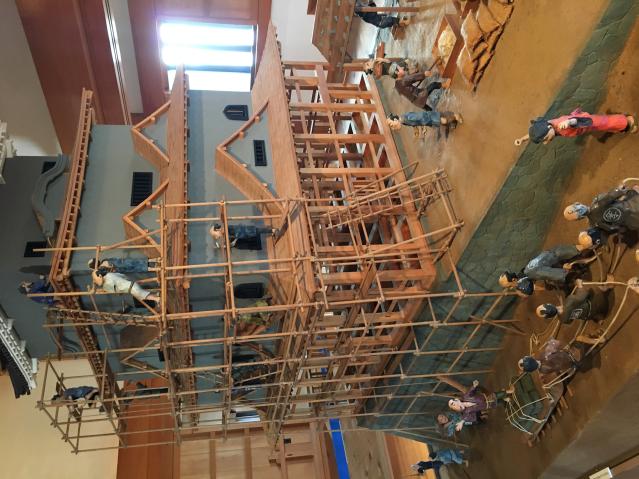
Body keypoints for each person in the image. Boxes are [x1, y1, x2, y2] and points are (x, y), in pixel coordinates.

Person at [520, 108, 637, 145]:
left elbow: (574, 121)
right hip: (583, 127)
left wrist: (569, 122)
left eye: (545, 139)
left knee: (605, 122)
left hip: (585, 122)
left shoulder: (561, 125)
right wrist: (522, 139)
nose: (545, 142)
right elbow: (534, 133)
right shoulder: (546, 125)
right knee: (604, 126)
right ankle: (620, 127)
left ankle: (628, 122)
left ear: (549, 128)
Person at [438, 376, 511, 427]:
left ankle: (507, 392)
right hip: (483, 407)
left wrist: (474, 386)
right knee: (496, 403)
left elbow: (469, 392)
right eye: (441, 419)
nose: (443, 418)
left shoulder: (465, 398)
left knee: (495, 395)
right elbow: (469, 418)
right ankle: (504, 399)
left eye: (441, 416)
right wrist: (462, 421)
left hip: (483, 398)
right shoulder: (465, 412)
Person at [564, 185, 639, 234]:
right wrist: (620, 188)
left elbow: (612, 228)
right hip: (636, 205)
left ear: (579, 219)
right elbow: (619, 191)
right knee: (635, 188)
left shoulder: (593, 224)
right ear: (577, 203)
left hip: (634, 224)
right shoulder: (598, 200)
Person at [536, 283, 611, 325]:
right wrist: (579, 285)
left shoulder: (562, 320)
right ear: (549, 304)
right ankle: (606, 287)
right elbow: (584, 294)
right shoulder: (570, 301)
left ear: (550, 317)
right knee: (585, 287)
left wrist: (563, 305)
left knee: (582, 310)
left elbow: (570, 320)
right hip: (601, 303)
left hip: (589, 316)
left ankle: (598, 318)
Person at [92, 268, 159, 304]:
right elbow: (123, 276)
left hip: (131, 289)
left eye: (95, 279)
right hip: (132, 284)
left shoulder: (107, 284)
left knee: (144, 296)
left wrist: (98, 290)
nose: (95, 282)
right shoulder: (110, 274)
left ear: (100, 276)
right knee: (143, 295)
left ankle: (157, 299)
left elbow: (114, 292)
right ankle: (156, 295)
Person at [209, 223, 275, 250]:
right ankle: (272, 231)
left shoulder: (225, 228)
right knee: (257, 231)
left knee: (257, 231)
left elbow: (230, 237)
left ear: (217, 230)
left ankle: (273, 230)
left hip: (244, 231)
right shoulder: (224, 232)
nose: (218, 237)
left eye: (216, 235)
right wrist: (223, 245)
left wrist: (229, 243)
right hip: (243, 234)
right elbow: (230, 239)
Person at [387, 111, 463, 132]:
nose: (393, 128)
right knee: (441, 122)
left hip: (429, 117)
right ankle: (452, 122)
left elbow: (421, 116)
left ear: (395, 120)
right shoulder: (403, 121)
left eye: (391, 125)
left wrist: (434, 119)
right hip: (427, 121)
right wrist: (416, 129)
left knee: (444, 121)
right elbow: (414, 122)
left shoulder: (407, 118)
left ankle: (456, 116)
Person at [88, 257, 153, 274]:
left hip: (119, 266)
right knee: (134, 264)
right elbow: (114, 259)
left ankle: (153, 263)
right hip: (119, 267)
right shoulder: (102, 266)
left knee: (134, 264)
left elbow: (113, 259)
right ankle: (152, 264)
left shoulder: (102, 267)